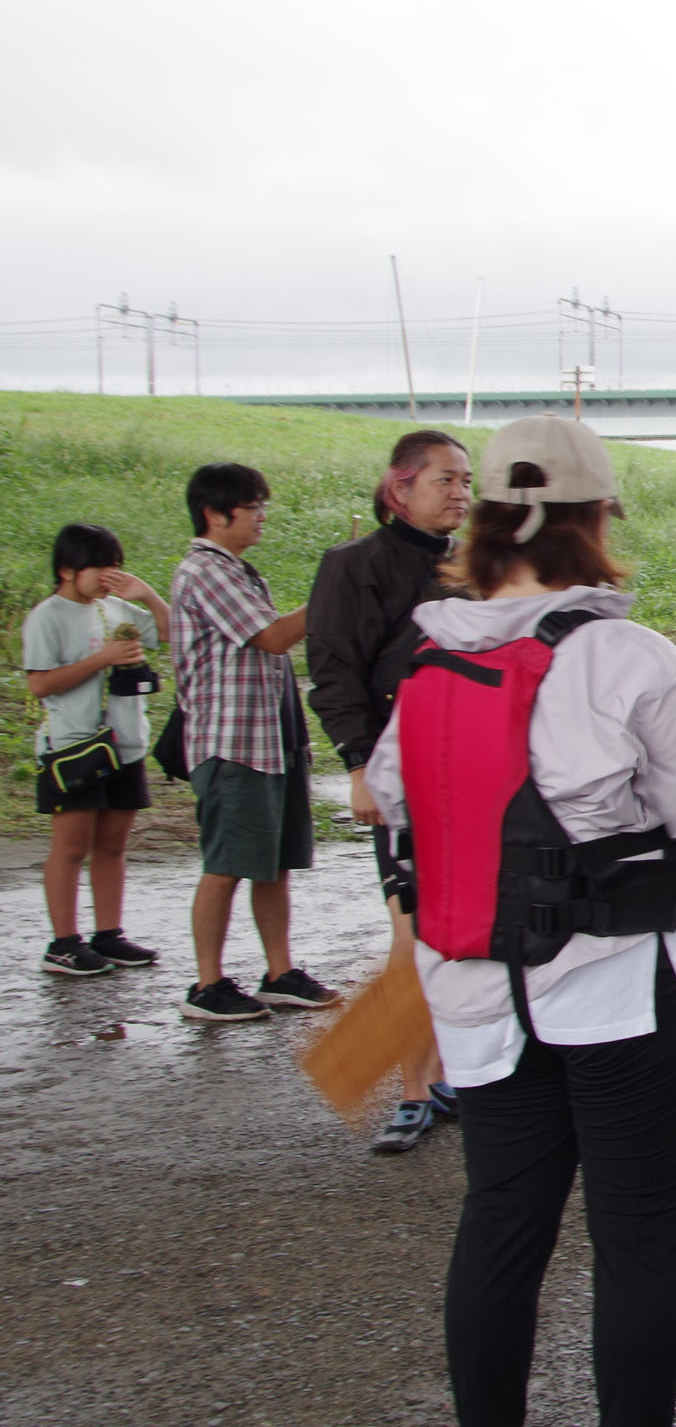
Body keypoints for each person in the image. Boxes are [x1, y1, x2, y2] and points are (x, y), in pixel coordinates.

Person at [364, 414, 676, 1427]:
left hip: (473, 990)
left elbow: (384, 796)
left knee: (503, 1218)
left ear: (490, 521)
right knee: (638, 1237)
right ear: (596, 517)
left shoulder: (431, 655)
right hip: (618, 990)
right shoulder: (625, 655)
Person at [307, 428, 474, 1152]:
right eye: (446, 480)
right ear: (398, 487)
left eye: (467, 481)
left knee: (463, 929)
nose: (462, 494)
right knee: (411, 931)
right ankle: (410, 1089)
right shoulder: (355, 565)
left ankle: (452, 1073)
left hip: (472, 772)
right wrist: (359, 767)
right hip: (398, 775)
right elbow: (335, 669)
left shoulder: (473, 567)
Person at [171, 463, 334, 1023]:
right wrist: (334, 589)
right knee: (227, 864)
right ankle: (207, 984)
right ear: (217, 514)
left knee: (273, 864)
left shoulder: (238, 571)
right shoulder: (205, 572)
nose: (262, 516)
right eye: (254, 507)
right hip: (232, 744)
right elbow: (272, 637)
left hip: (267, 742)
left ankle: (279, 972)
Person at [24, 523, 169, 976]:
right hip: (73, 746)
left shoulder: (117, 609)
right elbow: (40, 683)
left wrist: (147, 595)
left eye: (117, 566)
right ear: (68, 570)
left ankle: (109, 935)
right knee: (70, 847)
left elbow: (170, 633)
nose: (110, 575)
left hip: (124, 743)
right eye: (101, 566)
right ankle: (63, 943)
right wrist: (102, 660)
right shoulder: (47, 617)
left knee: (112, 845)